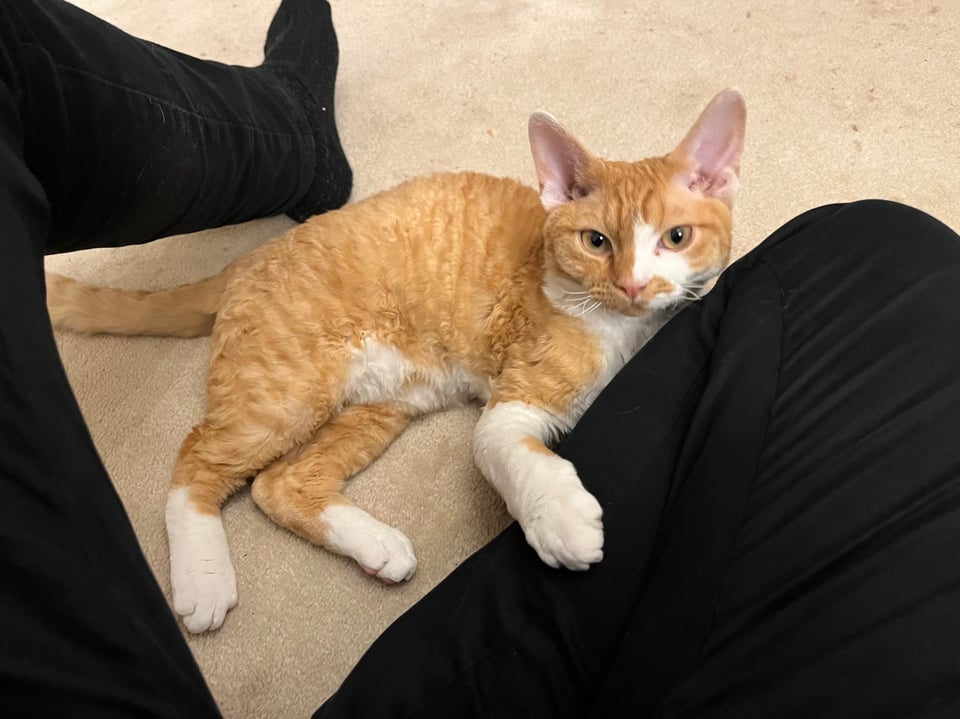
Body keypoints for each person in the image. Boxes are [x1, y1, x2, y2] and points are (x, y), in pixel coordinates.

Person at [2, 3, 959, 719]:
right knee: (285, 405)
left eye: (673, 239)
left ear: (720, 181)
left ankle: (297, 496)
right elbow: (512, 410)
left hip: (421, 354)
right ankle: (194, 494)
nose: (634, 281)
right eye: (601, 244)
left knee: (374, 412)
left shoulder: (675, 277)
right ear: (559, 192)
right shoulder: (571, 296)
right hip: (349, 289)